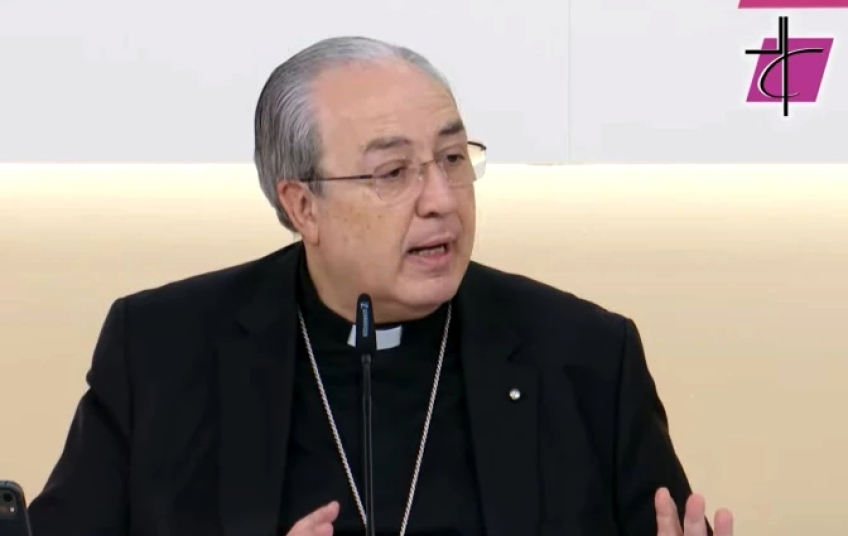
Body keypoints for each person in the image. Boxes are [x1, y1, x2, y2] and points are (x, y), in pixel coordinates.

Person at [27, 36, 734, 536]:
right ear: (302, 207)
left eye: (452, 158)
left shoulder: (586, 356)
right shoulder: (161, 351)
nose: (441, 200)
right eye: (393, 173)